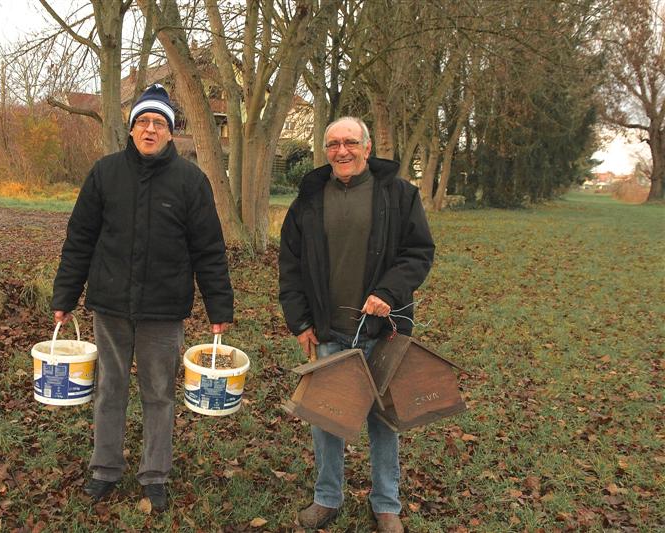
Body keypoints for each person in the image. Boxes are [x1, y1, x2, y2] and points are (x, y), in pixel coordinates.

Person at [51, 83, 233, 510]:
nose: (150, 129)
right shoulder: (105, 174)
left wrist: (219, 306)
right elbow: (80, 239)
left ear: (171, 131)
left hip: (163, 310)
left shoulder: (191, 181)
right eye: (143, 122)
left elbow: (209, 249)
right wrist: (65, 295)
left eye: (159, 123)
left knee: (159, 394)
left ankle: (155, 475)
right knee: (109, 389)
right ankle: (105, 469)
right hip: (110, 304)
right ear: (132, 129)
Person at [278, 116, 434, 532]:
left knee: (384, 421)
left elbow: (419, 252)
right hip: (329, 330)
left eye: (350, 142)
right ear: (325, 150)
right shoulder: (308, 201)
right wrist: (300, 322)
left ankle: (386, 504)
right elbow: (290, 266)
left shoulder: (399, 195)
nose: (341, 151)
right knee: (327, 418)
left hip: (384, 331)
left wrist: (389, 292)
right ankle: (327, 498)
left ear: (367, 147)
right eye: (333, 144)